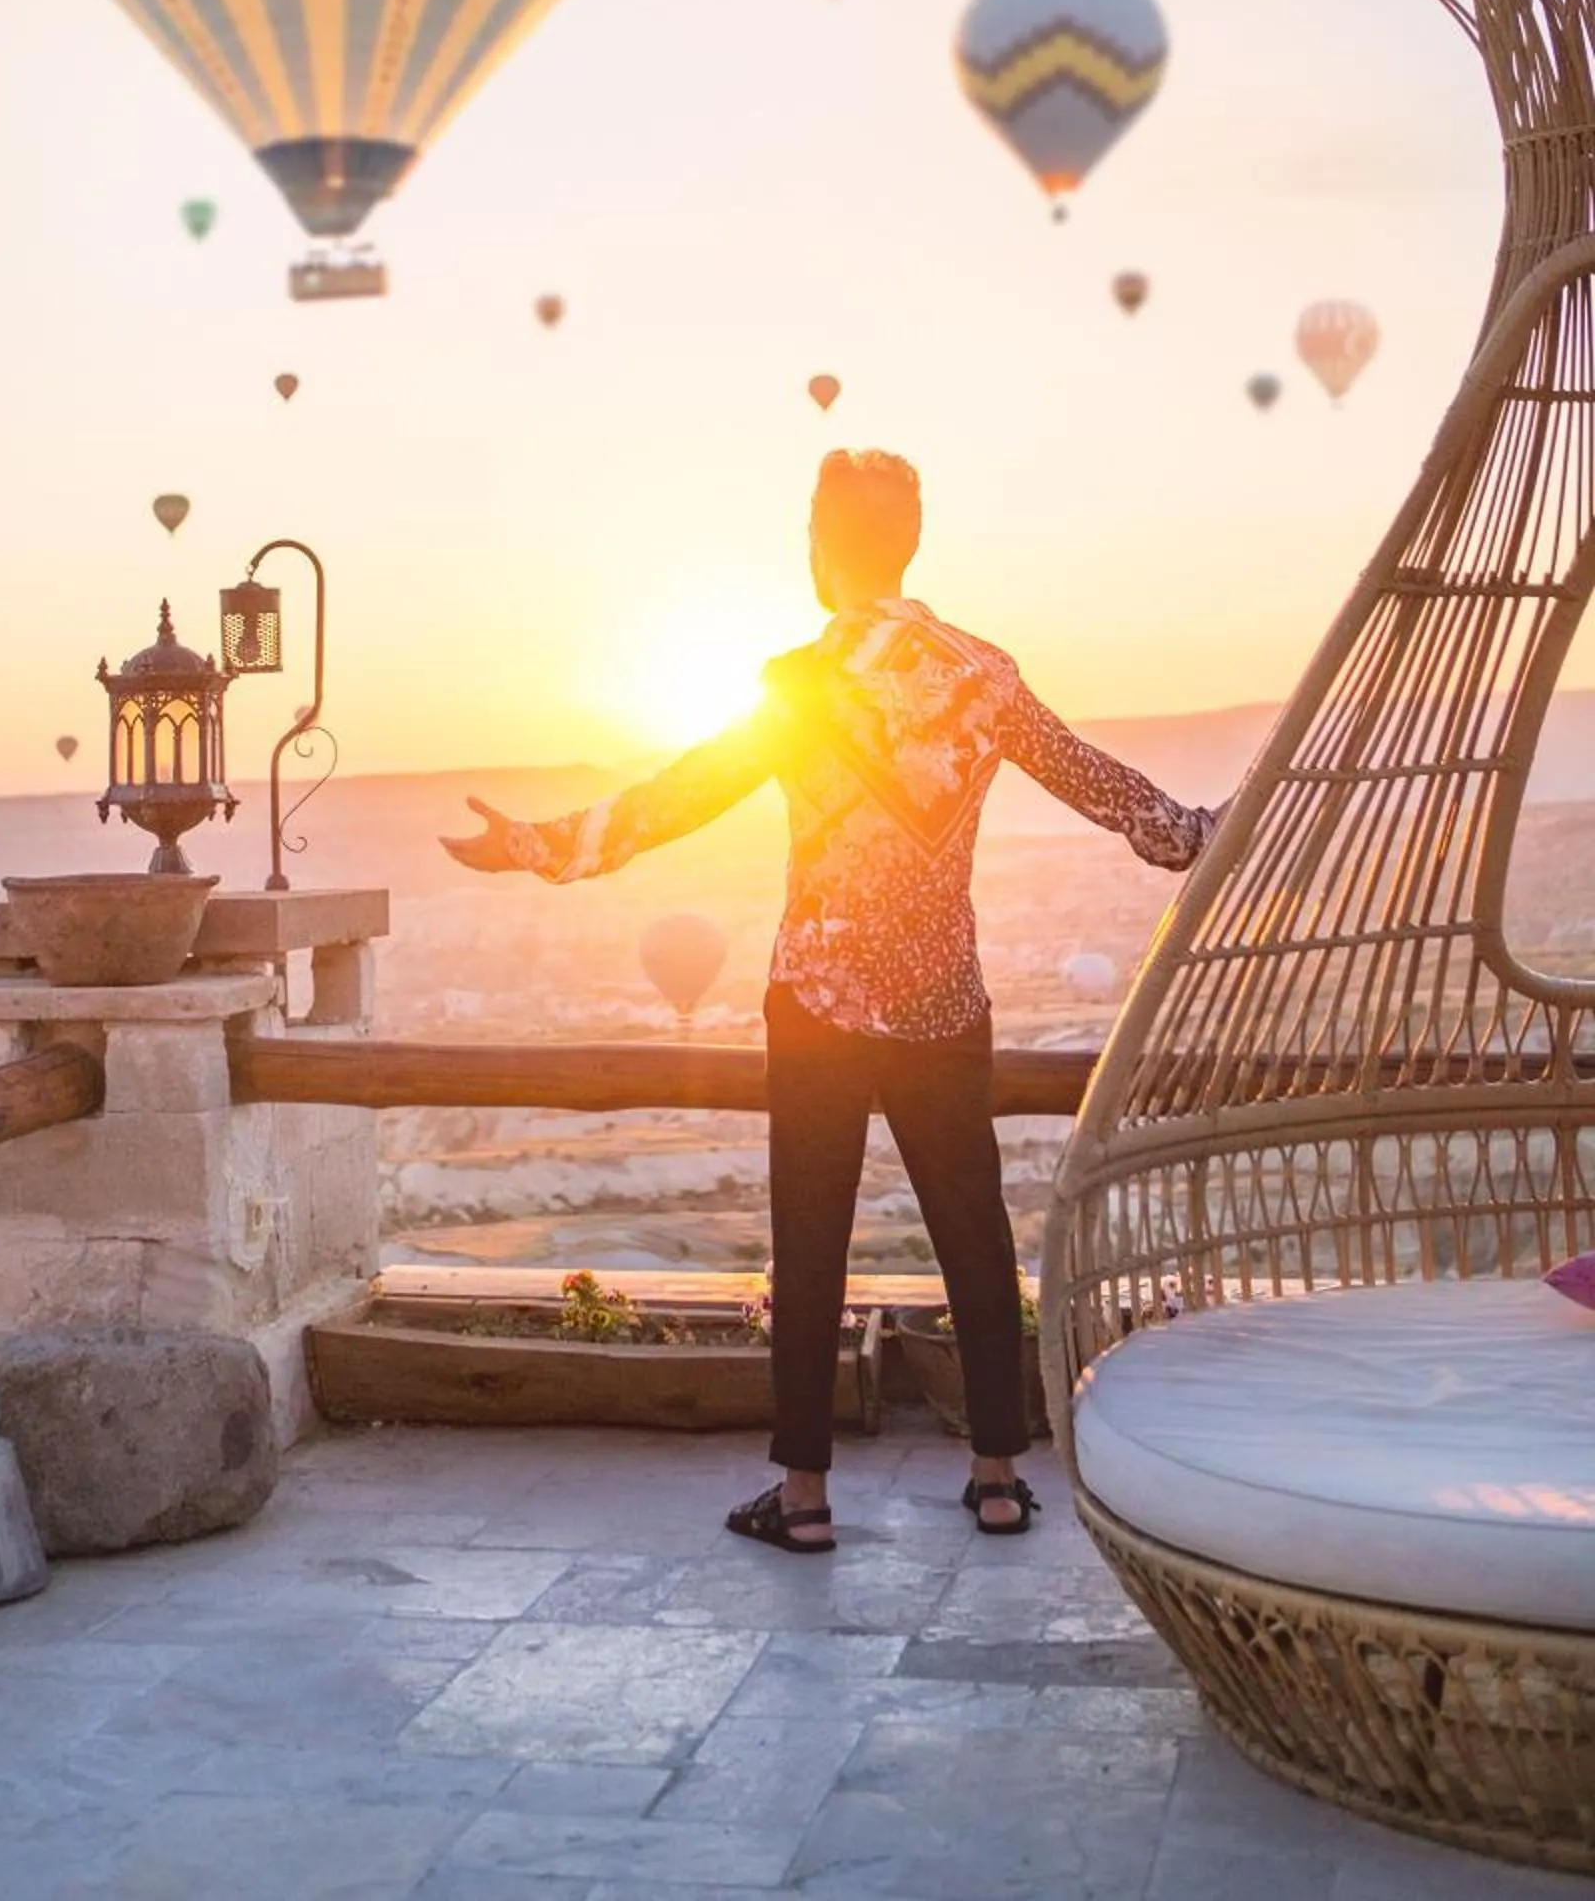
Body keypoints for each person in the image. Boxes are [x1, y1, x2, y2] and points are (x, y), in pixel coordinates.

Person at [441, 447, 1220, 1549]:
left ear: (820, 549)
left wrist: (533, 847)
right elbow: (1097, 783)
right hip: (945, 997)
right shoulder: (981, 674)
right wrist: (1204, 835)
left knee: (808, 1236)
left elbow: (679, 798)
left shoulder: (796, 682)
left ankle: (803, 1498)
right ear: (907, 543)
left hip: (814, 998)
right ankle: (996, 1474)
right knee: (972, 1232)